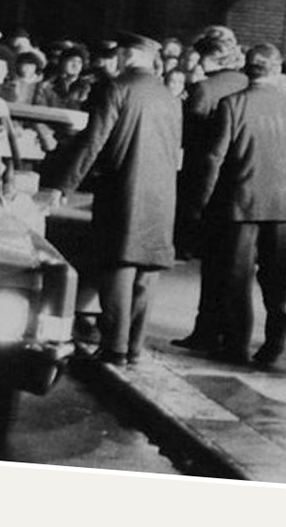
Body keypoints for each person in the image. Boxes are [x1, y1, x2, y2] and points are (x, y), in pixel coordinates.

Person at [42, 35, 181, 368]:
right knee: (147, 271)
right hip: (162, 191)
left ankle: (114, 348)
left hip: (124, 187)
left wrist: (64, 185)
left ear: (126, 55)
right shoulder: (169, 96)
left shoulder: (116, 88)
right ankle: (134, 347)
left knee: (119, 265)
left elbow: (93, 142)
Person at [189, 42, 286, 367]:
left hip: (240, 205)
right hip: (285, 206)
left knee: (237, 279)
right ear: (277, 70)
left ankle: (237, 346)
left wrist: (202, 202)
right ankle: (274, 342)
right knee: (279, 279)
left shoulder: (232, 104)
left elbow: (213, 159)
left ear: (248, 68)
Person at [175, 25, 251, 351]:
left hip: (207, 186)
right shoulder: (248, 85)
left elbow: (188, 141)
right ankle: (231, 335)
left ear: (209, 56)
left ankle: (205, 331)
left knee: (214, 269)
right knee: (235, 269)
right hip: (241, 187)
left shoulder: (204, 90)